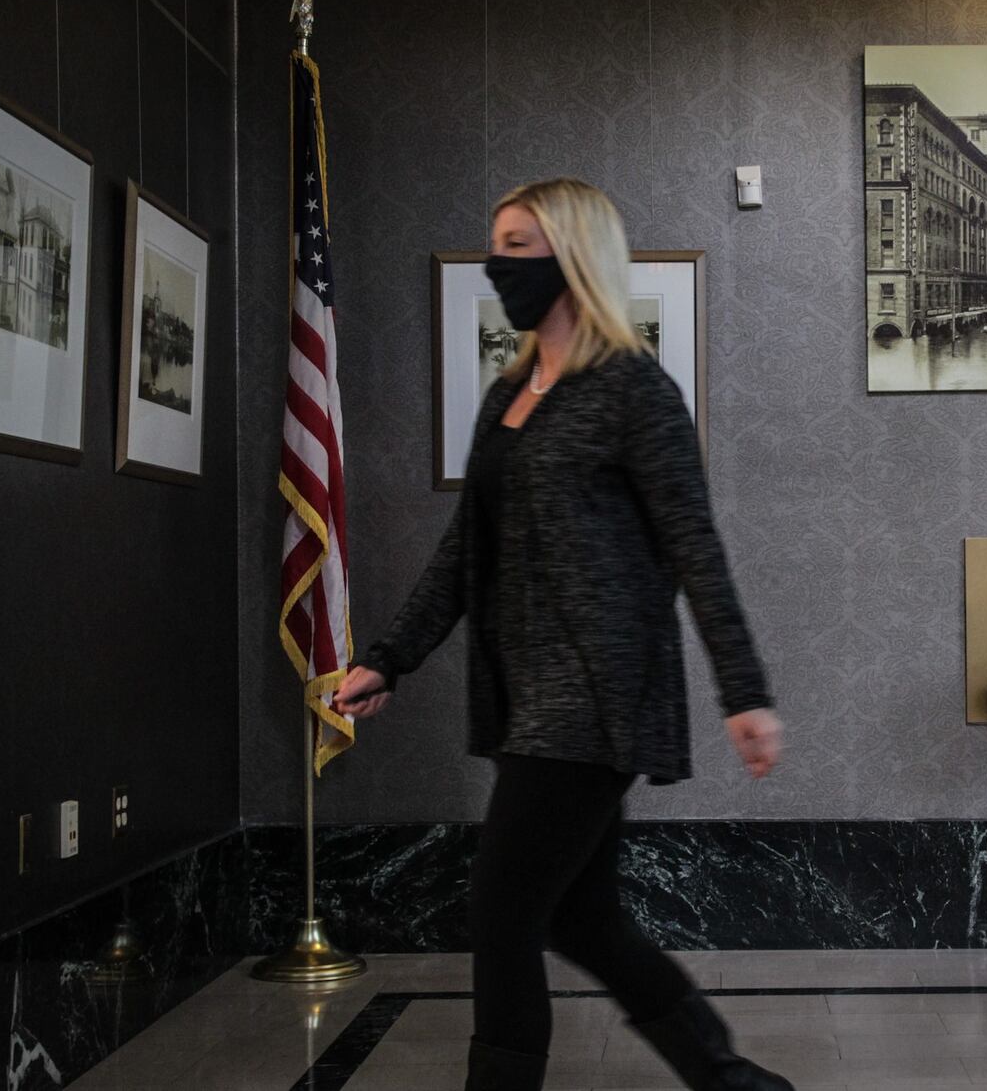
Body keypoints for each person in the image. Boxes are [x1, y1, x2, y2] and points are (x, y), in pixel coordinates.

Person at [335, 177, 792, 1091]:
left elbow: (694, 545)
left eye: (517, 246)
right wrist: (390, 657)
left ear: (573, 258)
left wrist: (742, 693)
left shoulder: (633, 390)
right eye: (494, 243)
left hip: (594, 694)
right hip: (519, 694)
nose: (497, 264)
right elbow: (466, 549)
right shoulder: (510, 394)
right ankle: (730, 1079)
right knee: (584, 922)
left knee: (500, 915)